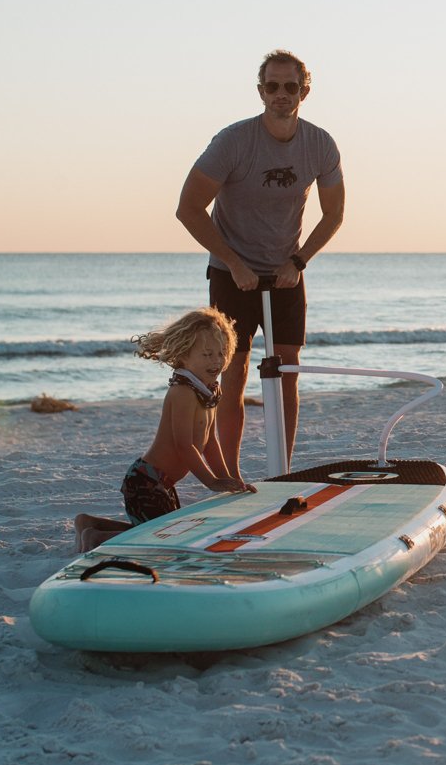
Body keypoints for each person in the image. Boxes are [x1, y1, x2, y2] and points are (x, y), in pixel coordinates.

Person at [176, 49, 346, 467]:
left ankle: (282, 470)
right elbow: (188, 209)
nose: (281, 94)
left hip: (286, 273)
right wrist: (233, 263)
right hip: (233, 273)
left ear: (304, 91)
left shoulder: (320, 144)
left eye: (290, 86)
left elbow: (335, 214)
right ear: (260, 91)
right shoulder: (234, 141)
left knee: (287, 374)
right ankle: (229, 473)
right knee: (231, 375)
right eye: (272, 86)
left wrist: (299, 262)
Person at [75, 308, 256, 552]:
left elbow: (209, 441)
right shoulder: (182, 392)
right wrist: (211, 482)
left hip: (163, 484)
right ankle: (97, 538)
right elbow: (185, 446)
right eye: (206, 354)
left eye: (221, 353)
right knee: (164, 539)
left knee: (168, 532)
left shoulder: (210, 390)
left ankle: (91, 524)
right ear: (183, 356)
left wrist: (229, 480)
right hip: (145, 482)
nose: (216, 361)